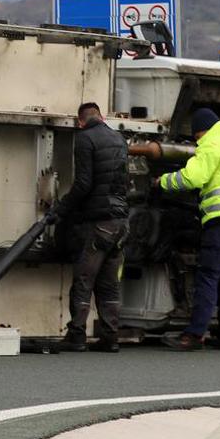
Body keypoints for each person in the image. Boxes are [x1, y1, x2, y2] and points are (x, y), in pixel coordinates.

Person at [156, 107, 220, 351]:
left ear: (200, 131)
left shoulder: (211, 143)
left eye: (196, 137)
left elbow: (193, 178)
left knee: (207, 278)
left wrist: (162, 182)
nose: (196, 141)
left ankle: (193, 335)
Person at [49, 101, 129, 352]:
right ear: (102, 117)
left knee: (84, 278)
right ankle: (110, 337)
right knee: (109, 283)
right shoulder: (119, 139)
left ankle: (77, 336)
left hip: (98, 222)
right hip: (120, 223)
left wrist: (61, 209)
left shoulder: (84, 139)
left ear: (80, 121)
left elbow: (84, 183)